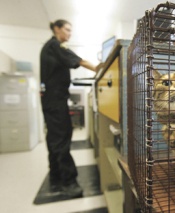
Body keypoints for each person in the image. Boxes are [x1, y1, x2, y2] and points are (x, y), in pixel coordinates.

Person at [40, 19, 99, 198]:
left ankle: (56, 175)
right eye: (67, 29)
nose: (69, 33)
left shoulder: (50, 47)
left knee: (54, 139)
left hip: (51, 100)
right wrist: (99, 68)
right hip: (56, 100)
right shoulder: (55, 45)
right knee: (62, 140)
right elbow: (78, 60)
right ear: (56, 29)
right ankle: (69, 182)